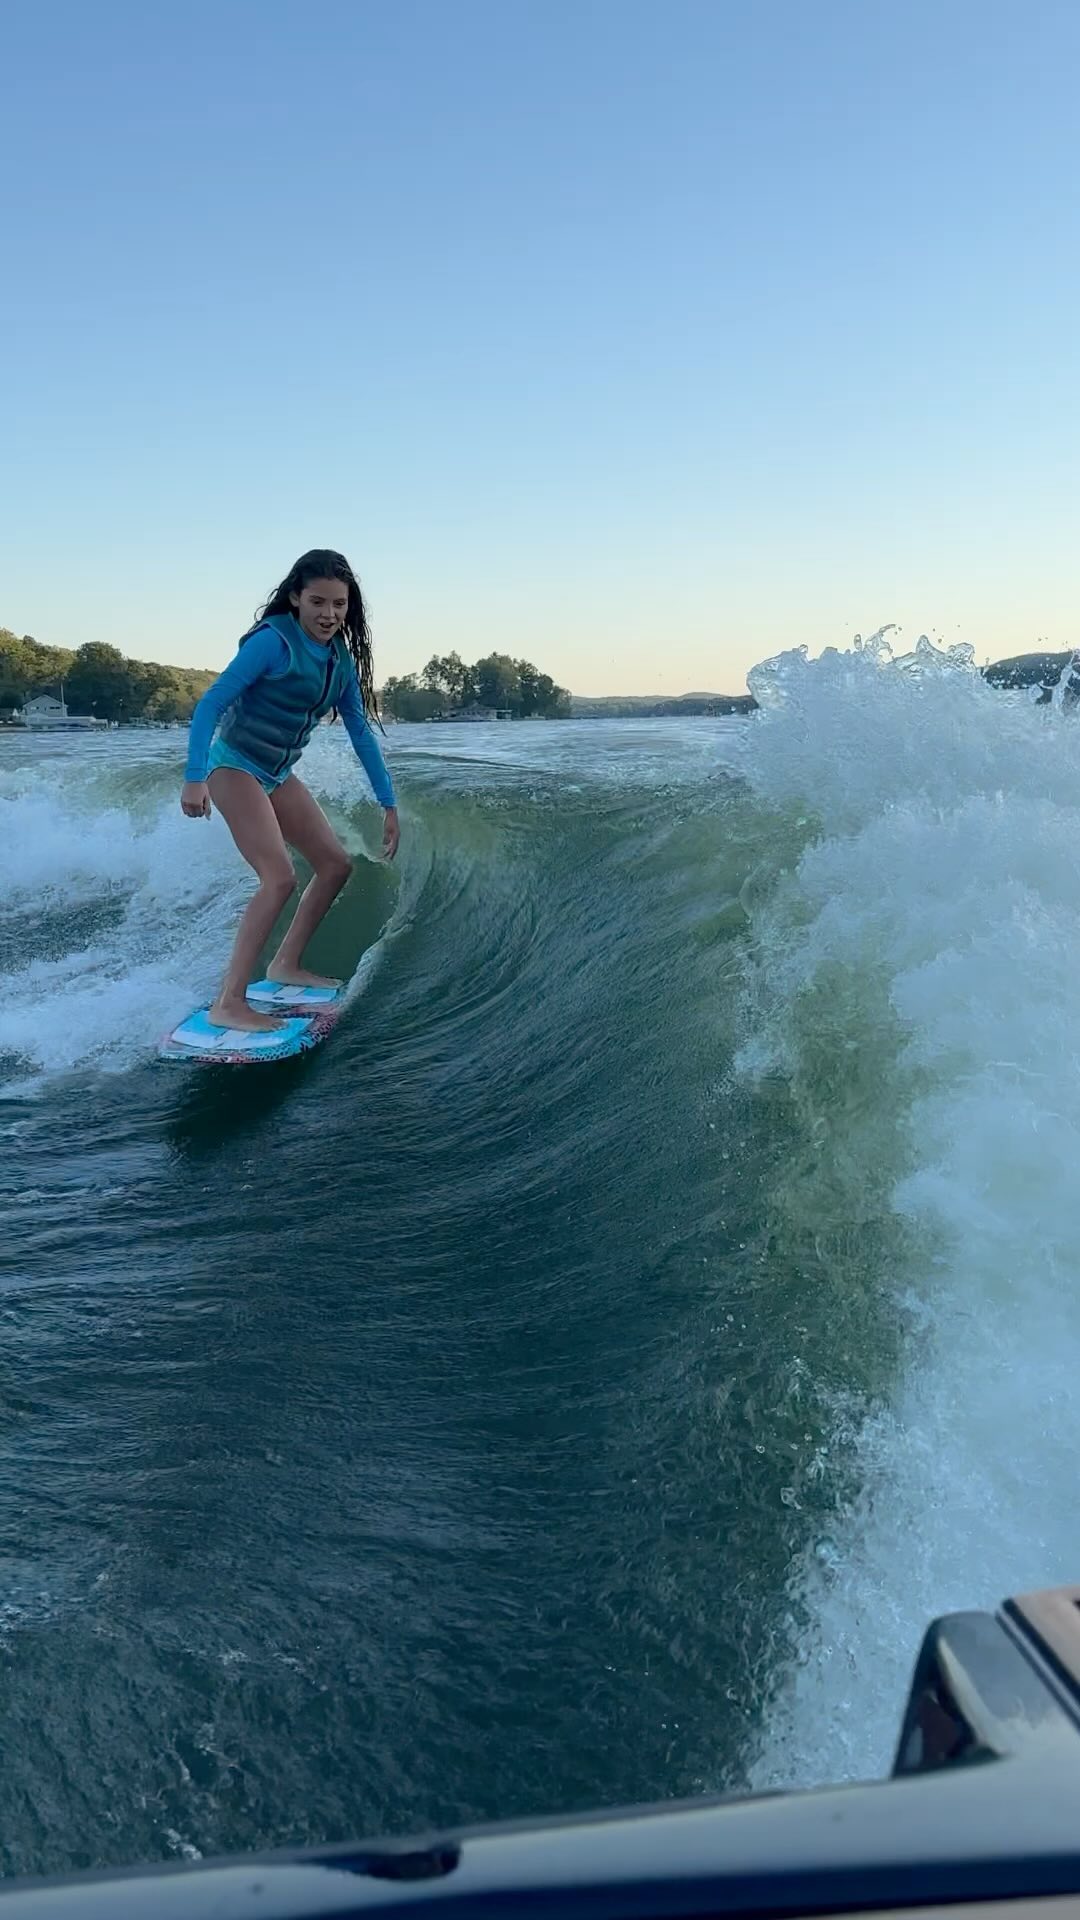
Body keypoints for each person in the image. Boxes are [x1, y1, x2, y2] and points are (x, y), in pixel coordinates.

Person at [181, 548, 400, 1033]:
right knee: (278, 877)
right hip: (233, 766)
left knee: (335, 864)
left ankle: (285, 964)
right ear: (297, 598)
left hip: (277, 773)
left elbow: (360, 732)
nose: (329, 615)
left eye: (339, 605)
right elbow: (211, 704)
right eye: (318, 602)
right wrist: (195, 775)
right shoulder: (271, 642)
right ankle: (228, 1001)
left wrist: (389, 802)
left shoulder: (339, 660)